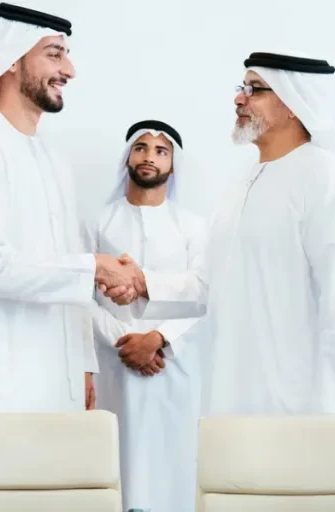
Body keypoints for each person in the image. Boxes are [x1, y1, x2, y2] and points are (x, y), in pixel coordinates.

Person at [106, 52, 335, 416]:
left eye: (255, 90)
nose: (239, 99)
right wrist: (144, 284)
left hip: (301, 406)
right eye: (242, 88)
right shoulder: (241, 183)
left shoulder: (331, 179)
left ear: (293, 105)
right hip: (231, 392)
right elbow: (212, 284)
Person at [0, 2, 140, 413]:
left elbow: (67, 270)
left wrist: (83, 365)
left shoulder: (54, 159)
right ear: (11, 60)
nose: (70, 70)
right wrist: (96, 266)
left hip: (56, 376)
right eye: (54, 53)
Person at [84, 120, 206, 512]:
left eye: (160, 150)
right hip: (112, 363)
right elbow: (78, 294)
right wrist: (123, 340)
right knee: (113, 467)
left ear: (173, 163)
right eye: (141, 147)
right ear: (128, 157)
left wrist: (157, 339)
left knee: (171, 470)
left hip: (172, 367)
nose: (149, 156)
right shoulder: (98, 222)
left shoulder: (194, 227)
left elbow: (205, 294)